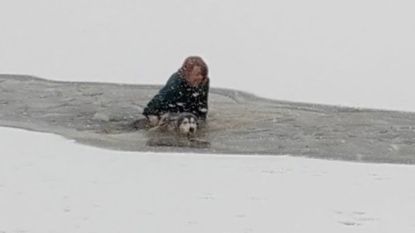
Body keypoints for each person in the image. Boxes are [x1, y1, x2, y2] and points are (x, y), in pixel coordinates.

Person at [142, 56, 210, 127]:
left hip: (189, 111)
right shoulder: (175, 83)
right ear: (187, 73)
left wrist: (201, 122)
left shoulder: (204, 82)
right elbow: (156, 103)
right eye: (198, 74)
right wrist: (154, 118)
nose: (200, 77)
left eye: (203, 74)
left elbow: (202, 105)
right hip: (171, 111)